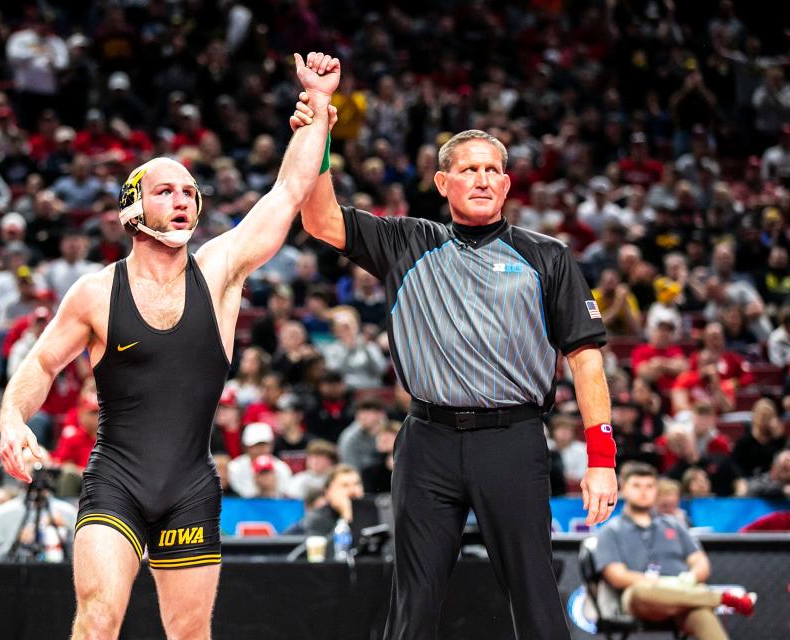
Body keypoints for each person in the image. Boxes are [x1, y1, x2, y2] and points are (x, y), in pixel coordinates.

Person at [0, 52, 339, 639]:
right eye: (165, 190)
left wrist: (319, 111)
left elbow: (288, 192)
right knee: (98, 620)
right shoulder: (97, 292)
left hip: (190, 487)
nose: (182, 199)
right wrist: (11, 416)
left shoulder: (220, 272)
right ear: (134, 207)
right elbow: (43, 362)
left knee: (188, 634)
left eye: (189, 190)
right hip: (115, 482)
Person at [292, 105, 617, 638]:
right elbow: (320, 219)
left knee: (536, 596)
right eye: (469, 169)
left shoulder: (548, 256)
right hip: (427, 441)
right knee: (412, 603)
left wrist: (601, 458)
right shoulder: (407, 242)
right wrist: (319, 135)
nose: (483, 179)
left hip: (512, 439)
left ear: (508, 183)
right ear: (442, 181)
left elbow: (585, 359)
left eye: (493, 170)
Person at [595, 463, 755, 639]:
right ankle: (722, 599)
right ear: (623, 489)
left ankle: (712, 599)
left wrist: (690, 578)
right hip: (638, 599)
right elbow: (616, 576)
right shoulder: (610, 531)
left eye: (649, 486)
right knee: (641, 591)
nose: (643, 492)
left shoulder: (674, 525)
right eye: (636, 486)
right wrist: (661, 583)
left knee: (701, 614)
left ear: (656, 490)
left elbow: (700, 562)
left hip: (683, 594)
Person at [285, 464, 364, 536]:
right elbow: (333, 549)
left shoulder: (373, 510)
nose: (353, 490)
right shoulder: (316, 519)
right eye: (345, 485)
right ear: (328, 491)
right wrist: (346, 515)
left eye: (357, 484)